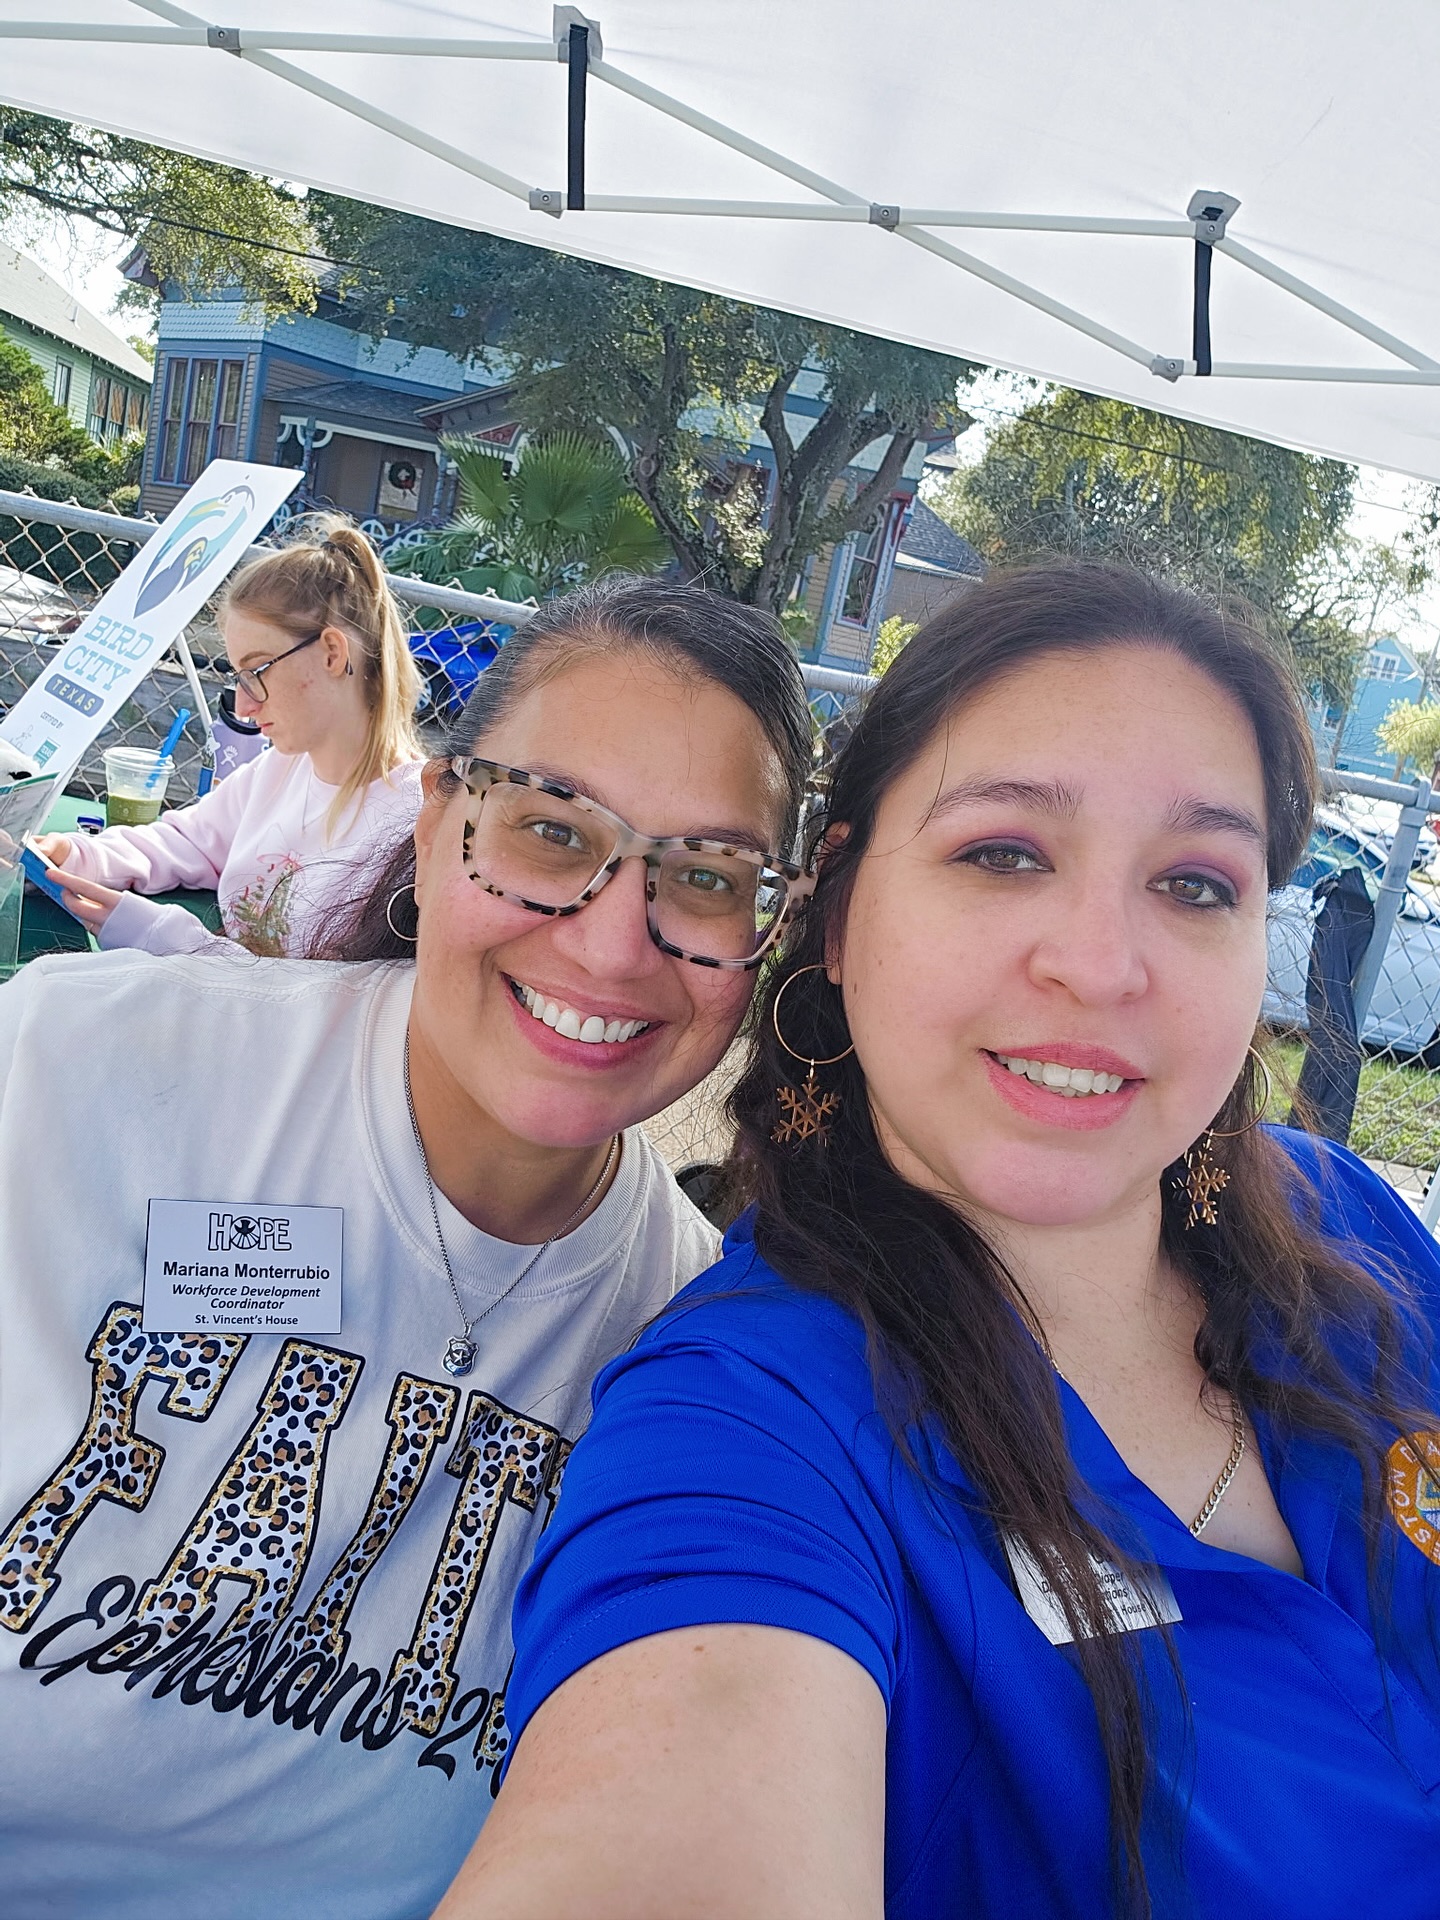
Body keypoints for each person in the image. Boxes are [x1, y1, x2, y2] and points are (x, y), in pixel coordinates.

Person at [442, 562, 1440, 1920]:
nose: (1100, 964)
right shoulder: (750, 1428)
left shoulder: (1354, 1227)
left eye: (1197, 884)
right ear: (839, 911)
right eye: (1004, 854)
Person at [0, 577, 813, 1920]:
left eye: (708, 877)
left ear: (764, 938)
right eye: (552, 833)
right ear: (439, 826)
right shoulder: (85, 1068)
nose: (615, 943)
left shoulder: (697, 1362)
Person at [35, 516, 425, 956]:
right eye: (238, 677)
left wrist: (174, 942)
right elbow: (189, 841)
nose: (243, 706)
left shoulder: (417, 823)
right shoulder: (280, 768)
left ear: (332, 653)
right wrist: (72, 855)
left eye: (256, 671)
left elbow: (333, 1002)